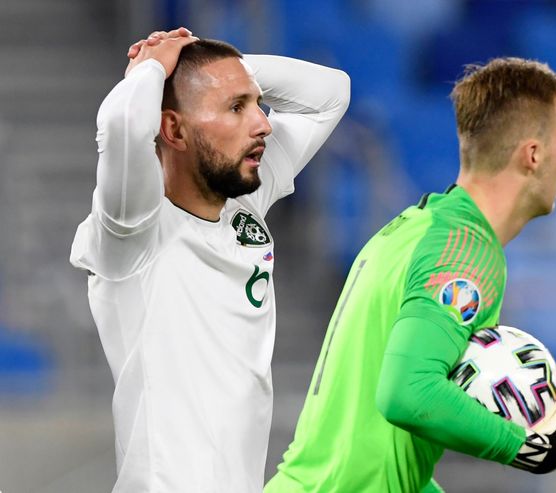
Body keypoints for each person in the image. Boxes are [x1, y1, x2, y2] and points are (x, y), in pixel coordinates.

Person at [265, 57, 556, 493]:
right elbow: (407, 393)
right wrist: (523, 445)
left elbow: (377, 442)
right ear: (533, 154)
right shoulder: (465, 251)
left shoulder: (416, 227)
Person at [69, 27, 350, 492]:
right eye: (236, 108)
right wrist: (155, 67)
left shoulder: (246, 202)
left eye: (257, 104)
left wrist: (204, 65)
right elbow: (121, 125)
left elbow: (331, 93)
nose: (263, 123)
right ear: (173, 129)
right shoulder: (132, 230)